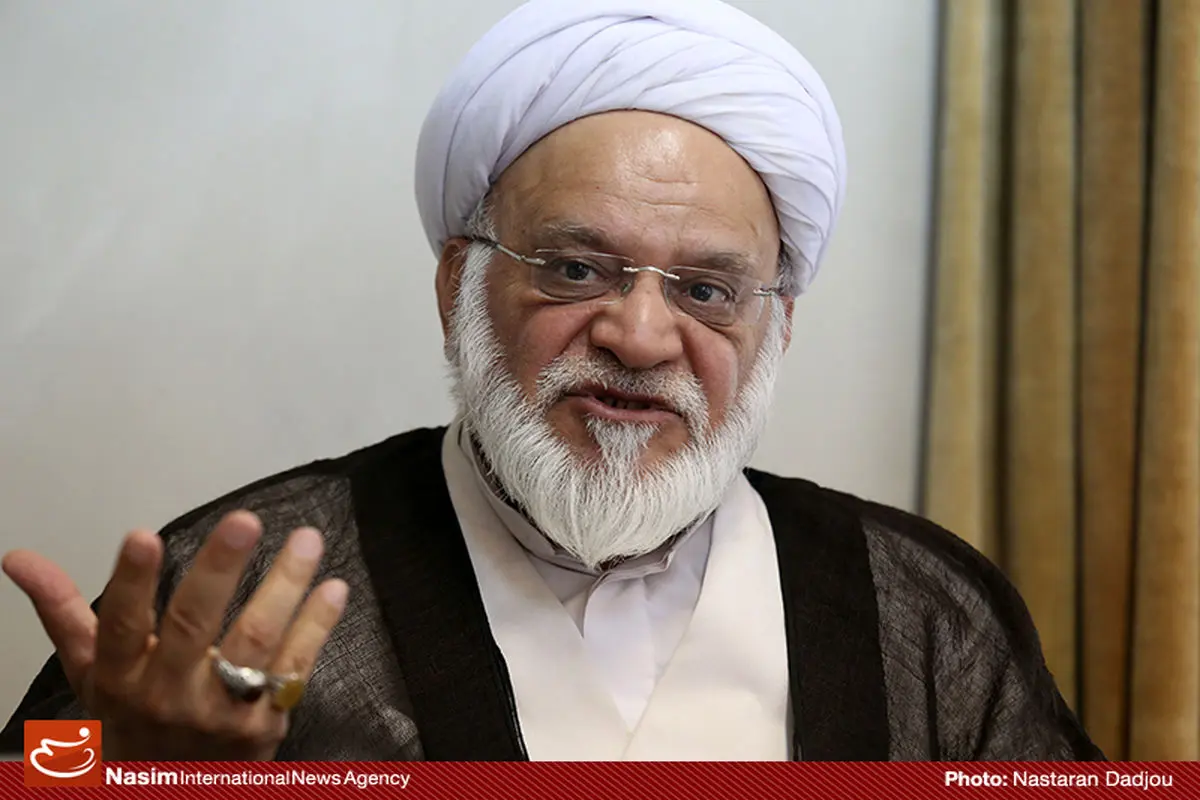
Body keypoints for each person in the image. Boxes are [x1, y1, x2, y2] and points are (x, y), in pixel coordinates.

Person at [1, 0, 1103, 761]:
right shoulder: (237, 598)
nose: (641, 335)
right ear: (458, 284)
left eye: (708, 290)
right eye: (575, 268)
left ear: (776, 327)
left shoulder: (922, 608)